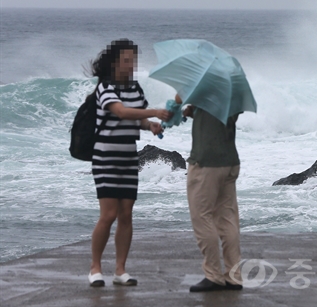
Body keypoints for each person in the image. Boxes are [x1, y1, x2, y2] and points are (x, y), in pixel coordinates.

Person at [87, 39, 171, 287]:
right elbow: (121, 112)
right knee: (109, 214)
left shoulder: (135, 87)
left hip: (128, 156)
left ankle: (121, 270)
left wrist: (151, 125)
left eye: (133, 60)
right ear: (114, 63)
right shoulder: (105, 87)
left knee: (126, 214)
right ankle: (95, 268)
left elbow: (138, 119)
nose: (130, 65)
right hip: (106, 156)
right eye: (126, 60)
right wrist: (153, 112)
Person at [177, 94, 243, 292]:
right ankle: (234, 276)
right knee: (228, 218)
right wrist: (196, 113)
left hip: (206, 162)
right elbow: (219, 120)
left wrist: (189, 104)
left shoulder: (203, 87)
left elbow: (180, 97)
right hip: (229, 160)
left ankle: (213, 274)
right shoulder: (232, 91)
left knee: (202, 216)